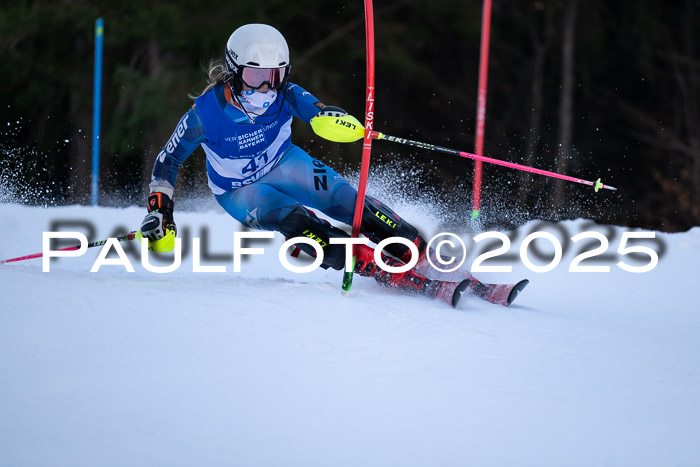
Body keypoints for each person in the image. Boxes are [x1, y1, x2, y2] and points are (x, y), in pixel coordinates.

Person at [139, 23, 443, 298]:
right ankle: (361, 260)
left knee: (346, 199)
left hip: (284, 163)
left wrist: (347, 125)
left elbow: (321, 114)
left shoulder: (286, 94)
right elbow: (168, 161)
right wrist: (161, 213)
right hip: (239, 190)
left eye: (275, 76)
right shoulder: (203, 116)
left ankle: (413, 245)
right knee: (293, 218)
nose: (266, 88)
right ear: (234, 71)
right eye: (255, 77)